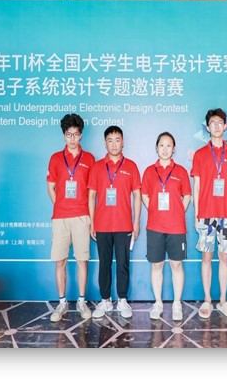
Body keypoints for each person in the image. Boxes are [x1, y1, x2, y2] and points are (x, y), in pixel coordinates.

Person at [191, 108, 227, 319]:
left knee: (224, 257)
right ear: (208, 127)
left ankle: (222, 300)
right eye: (213, 123)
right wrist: (197, 215)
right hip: (207, 215)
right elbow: (196, 186)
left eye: (220, 122)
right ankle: (207, 300)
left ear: (225, 125)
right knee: (206, 256)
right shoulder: (200, 154)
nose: (217, 126)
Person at [88, 125, 142, 319]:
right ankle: (105, 300)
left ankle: (122, 300)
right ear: (105, 143)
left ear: (123, 142)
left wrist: (136, 222)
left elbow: (137, 195)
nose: (114, 144)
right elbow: (91, 195)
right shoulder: (97, 167)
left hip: (124, 225)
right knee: (104, 264)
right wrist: (92, 222)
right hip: (102, 224)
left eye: (117, 140)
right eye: (110, 140)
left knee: (122, 264)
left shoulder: (131, 166)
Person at [46, 113, 96, 321]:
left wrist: (90, 218)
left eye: (75, 134)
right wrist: (60, 205)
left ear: (81, 134)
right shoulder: (56, 158)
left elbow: (92, 191)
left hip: (82, 216)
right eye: (69, 134)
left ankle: (82, 302)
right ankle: (62, 303)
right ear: (63, 135)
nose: (72, 138)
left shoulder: (89, 159)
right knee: (61, 261)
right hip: (60, 217)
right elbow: (51, 186)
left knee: (82, 260)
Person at [141, 132, 192, 321]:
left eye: (168, 145)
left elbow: (187, 195)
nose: (165, 149)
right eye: (161, 145)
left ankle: (177, 303)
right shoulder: (149, 171)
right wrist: (154, 209)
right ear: (157, 148)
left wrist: (178, 211)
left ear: (174, 148)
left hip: (176, 227)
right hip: (155, 226)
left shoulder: (181, 171)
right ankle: (158, 303)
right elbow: (144, 194)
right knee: (157, 265)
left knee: (176, 265)